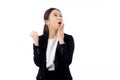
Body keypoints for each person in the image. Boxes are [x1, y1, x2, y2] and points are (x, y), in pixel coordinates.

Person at [30, 8, 75, 80]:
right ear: (47, 22)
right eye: (55, 15)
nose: (59, 17)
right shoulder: (40, 39)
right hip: (44, 77)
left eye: (61, 15)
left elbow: (67, 62)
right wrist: (36, 42)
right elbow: (38, 63)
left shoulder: (68, 38)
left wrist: (61, 40)